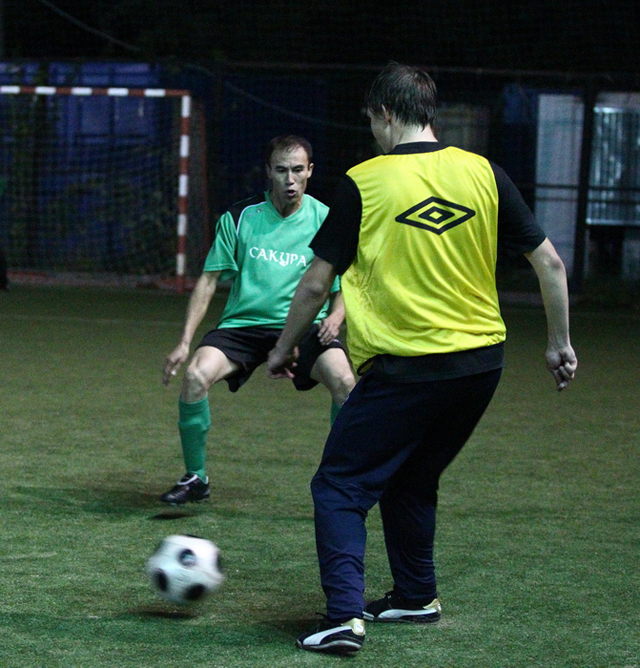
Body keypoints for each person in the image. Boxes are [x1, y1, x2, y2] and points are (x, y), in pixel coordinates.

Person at [267, 64, 577, 655]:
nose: (373, 130)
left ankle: (343, 618)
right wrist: (558, 344)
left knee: (339, 485)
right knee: (410, 477)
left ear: (386, 113)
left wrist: (283, 348)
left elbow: (315, 284)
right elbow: (551, 264)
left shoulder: (366, 182)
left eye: (372, 120)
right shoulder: (484, 172)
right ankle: (415, 596)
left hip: (410, 368)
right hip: (481, 365)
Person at [161, 135, 355, 505]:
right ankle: (196, 477)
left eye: (297, 170)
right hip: (243, 328)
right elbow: (208, 280)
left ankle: (341, 479)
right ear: (268, 171)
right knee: (195, 376)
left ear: (310, 171)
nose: (290, 180)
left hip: (304, 328)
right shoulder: (239, 218)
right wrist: (185, 341)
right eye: (281, 170)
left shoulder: (327, 219)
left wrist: (336, 314)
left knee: (345, 381)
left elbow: (346, 280)